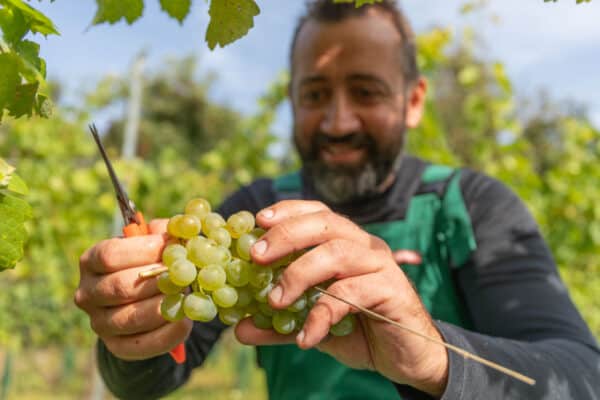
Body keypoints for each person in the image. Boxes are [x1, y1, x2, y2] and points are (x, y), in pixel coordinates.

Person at [75, 1, 600, 399]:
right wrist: (134, 339)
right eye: (316, 94)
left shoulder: (472, 206)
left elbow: (582, 376)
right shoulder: (255, 210)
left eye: (366, 92)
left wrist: (438, 358)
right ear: (292, 99)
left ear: (413, 101)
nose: (338, 122)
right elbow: (151, 380)